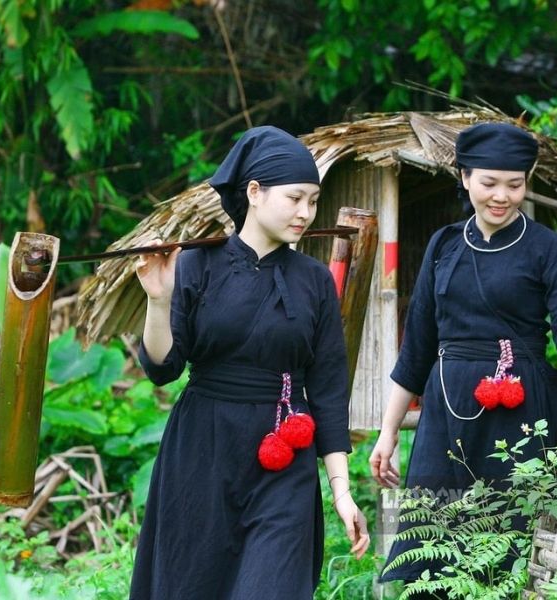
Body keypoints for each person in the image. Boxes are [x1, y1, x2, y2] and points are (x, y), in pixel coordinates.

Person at [130, 125, 370, 600]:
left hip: (284, 454)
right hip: (203, 450)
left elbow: (326, 389)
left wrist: (341, 490)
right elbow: (163, 368)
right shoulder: (198, 265)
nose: (306, 212)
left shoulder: (315, 280)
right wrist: (159, 301)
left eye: (314, 201)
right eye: (295, 198)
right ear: (255, 193)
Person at [369, 121, 557, 592]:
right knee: (435, 542)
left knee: (517, 546)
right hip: (448, 413)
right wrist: (388, 432)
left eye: (515, 185)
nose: (502, 196)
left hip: (521, 412)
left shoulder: (545, 247)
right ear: (464, 178)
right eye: (489, 183)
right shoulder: (444, 244)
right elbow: (416, 348)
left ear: (527, 181)